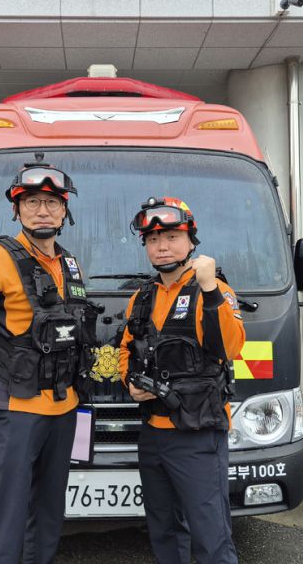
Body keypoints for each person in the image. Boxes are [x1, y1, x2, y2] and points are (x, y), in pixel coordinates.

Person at [0, 162, 96, 564]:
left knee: (49, 512)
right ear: (16, 210)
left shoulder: (70, 264)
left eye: (51, 203)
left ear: (64, 211)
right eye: (32, 203)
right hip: (18, 408)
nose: (42, 211)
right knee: (8, 515)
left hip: (65, 408)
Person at [118, 196, 245, 564]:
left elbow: (230, 347)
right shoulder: (141, 297)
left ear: (191, 241)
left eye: (172, 237)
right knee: (164, 530)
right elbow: (126, 348)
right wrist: (130, 382)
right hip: (153, 434)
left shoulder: (215, 291)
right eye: (153, 239)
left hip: (198, 434)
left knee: (211, 536)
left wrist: (210, 291)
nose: (162, 246)